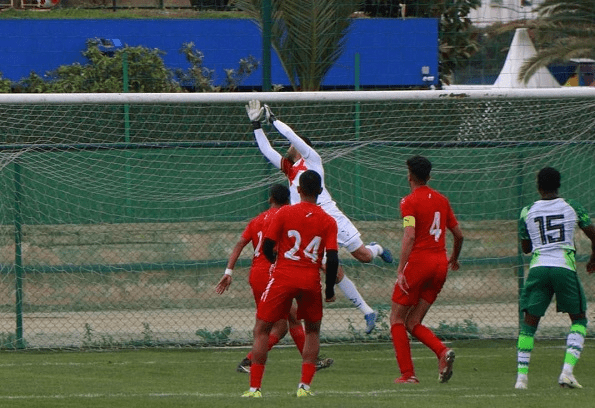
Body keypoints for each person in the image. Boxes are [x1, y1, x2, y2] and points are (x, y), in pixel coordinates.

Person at [245, 99, 393, 334]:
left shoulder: (313, 160)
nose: (288, 147)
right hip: (308, 224)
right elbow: (266, 150)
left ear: (300, 147)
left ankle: (376, 248)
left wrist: (273, 120)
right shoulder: (290, 169)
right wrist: (256, 125)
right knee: (330, 270)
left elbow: (292, 136)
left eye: (293, 145)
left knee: (363, 256)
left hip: (330, 216)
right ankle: (367, 311)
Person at [215, 184, 333, 374]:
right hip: (274, 272)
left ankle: (256, 360)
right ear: (289, 199)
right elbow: (294, 248)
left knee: (279, 324)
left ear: (270, 199)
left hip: (256, 275)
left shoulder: (256, 220)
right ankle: (251, 361)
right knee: (287, 321)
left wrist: (229, 271)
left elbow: (240, 243)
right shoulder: (287, 217)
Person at [242, 170, 339, 398]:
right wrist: (330, 288)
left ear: (298, 190)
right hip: (310, 279)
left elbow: (267, 245)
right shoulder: (328, 220)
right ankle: (304, 387)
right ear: (320, 191)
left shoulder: (285, 212)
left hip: (283, 277)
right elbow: (333, 257)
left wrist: (277, 261)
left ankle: (255, 388)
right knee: (312, 330)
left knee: (262, 328)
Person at [515, 167, 595, 390]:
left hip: (539, 268)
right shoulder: (572, 207)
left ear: (538, 186)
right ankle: (566, 373)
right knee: (578, 319)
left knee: (529, 324)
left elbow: (526, 248)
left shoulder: (527, 211)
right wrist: (593, 258)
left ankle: (521, 380)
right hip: (563, 267)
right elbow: (593, 234)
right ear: (559, 185)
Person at [391, 155, 464, 384]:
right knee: (413, 322)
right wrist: (453, 258)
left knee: (396, 319)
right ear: (429, 176)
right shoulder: (442, 200)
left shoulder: (408, 201)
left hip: (419, 265)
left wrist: (401, 269)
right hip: (440, 265)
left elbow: (410, 235)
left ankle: (408, 374)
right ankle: (442, 352)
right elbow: (459, 234)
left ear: (409, 175)